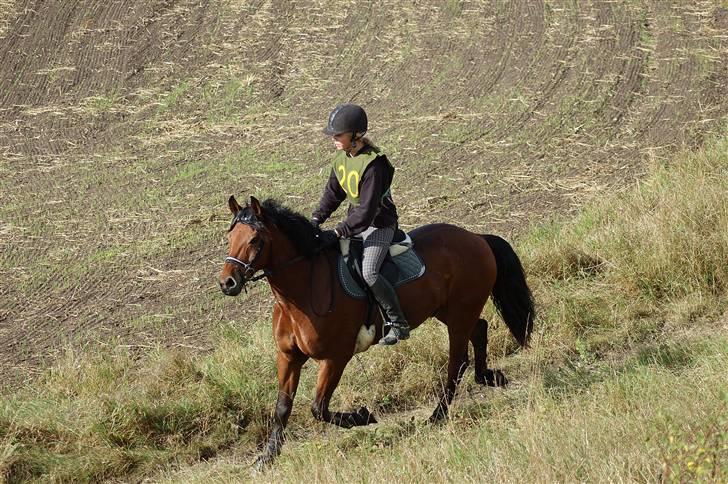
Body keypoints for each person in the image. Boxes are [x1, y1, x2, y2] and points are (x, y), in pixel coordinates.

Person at [312, 103, 410, 345]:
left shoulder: (374, 165)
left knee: (369, 272)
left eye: (338, 134)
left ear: (356, 136)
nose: (333, 138)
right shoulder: (342, 158)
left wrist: (337, 231)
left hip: (378, 225)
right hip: (356, 223)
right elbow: (332, 195)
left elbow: (366, 213)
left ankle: (398, 323)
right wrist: (315, 220)